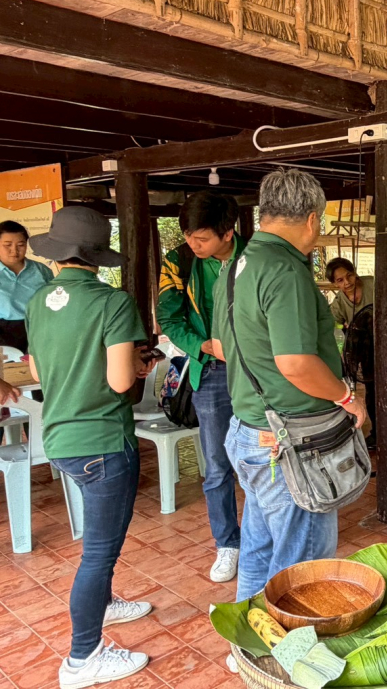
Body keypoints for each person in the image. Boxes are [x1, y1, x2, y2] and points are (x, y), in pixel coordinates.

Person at [211, 169, 366, 603]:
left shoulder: (235, 267)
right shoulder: (284, 270)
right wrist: (347, 398)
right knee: (303, 563)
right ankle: (286, 658)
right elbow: (296, 363)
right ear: (313, 219)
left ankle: (249, 641)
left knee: (260, 548)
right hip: (288, 442)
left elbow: (223, 346)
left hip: (248, 433)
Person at [25, 207, 162, 688]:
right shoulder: (112, 302)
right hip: (104, 442)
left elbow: (40, 373)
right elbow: (120, 379)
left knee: (97, 549)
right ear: (97, 257)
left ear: (57, 253)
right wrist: (136, 361)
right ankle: (83, 658)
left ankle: (105, 603)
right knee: (98, 554)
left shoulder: (39, 301)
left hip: (61, 439)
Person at [157, 192, 246, 583]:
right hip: (210, 371)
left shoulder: (255, 257)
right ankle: (228, 543)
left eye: (202, 238)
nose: (193, 245)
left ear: (229, 233)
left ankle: (269, 532)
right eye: (189, 236)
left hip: (255, 371)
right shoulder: (179, 262)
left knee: (268, 454)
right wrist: (204, 346)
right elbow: (169, 318)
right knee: (216, 466)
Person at [325, 257, 376, 451]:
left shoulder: (372, 284)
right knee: (371, 390)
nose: (347, 282)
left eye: (349, 276)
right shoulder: (338, 303)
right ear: (334, 284)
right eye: (340, 280)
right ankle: (377, 433)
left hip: (386, 342)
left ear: (355, 272)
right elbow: (331, 326)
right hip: (363, 350)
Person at [0, 220, 53, 353]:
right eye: (7, 245)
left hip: (37, 328)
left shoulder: (41, 271)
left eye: (21, 245)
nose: (14, 250)